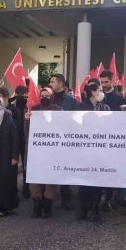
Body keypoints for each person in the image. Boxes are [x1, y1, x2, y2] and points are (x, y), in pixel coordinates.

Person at [24, 87, 62, 218]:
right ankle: (36, 205)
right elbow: (27, 132)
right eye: (42, 95)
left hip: (53, 152)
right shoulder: (33, 110)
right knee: (34, 179)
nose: (44, 97)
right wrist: (27, 120)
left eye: (47, 95)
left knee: (50, 180)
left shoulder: (59, 110)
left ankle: (47, 206)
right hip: (36, 152)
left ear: (52, 97)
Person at [76, 78, 110, 222]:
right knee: (84, 182)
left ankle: (95, 209)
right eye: (99, 90)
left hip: (99, 150)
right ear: (92, 92)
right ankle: (84, 209)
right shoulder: (81, 107)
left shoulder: (105, 108)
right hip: (84, 150)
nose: (102, 93)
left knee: (97, 180)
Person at [99, 70, 126, 212]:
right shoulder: (97, 97)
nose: (103, 85)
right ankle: (106, 197)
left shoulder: (120, 99)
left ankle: (119, 196)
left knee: (115, 168)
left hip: (115, 139)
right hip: (100, 139)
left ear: (112, 81)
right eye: (101, 82)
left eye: (106, 82)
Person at [48, 73, 77, 210]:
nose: (50, 84)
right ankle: (47, 199)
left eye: (53, 81)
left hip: (66, 140)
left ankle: (66, 198)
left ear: (61, 83)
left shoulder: (70, 101)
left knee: (65, 170)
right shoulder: (47, 98)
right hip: (49, 141)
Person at [8, 85, 29, 198]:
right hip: (15, 141)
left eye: (23, 94)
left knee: (26, 166)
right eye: (19, 94)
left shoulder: (30, 106)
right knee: (13, 166)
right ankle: (13, 189)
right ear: (15, 94)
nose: (21, 96)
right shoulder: (10, 106)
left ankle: (26, 189)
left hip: (26, 140)